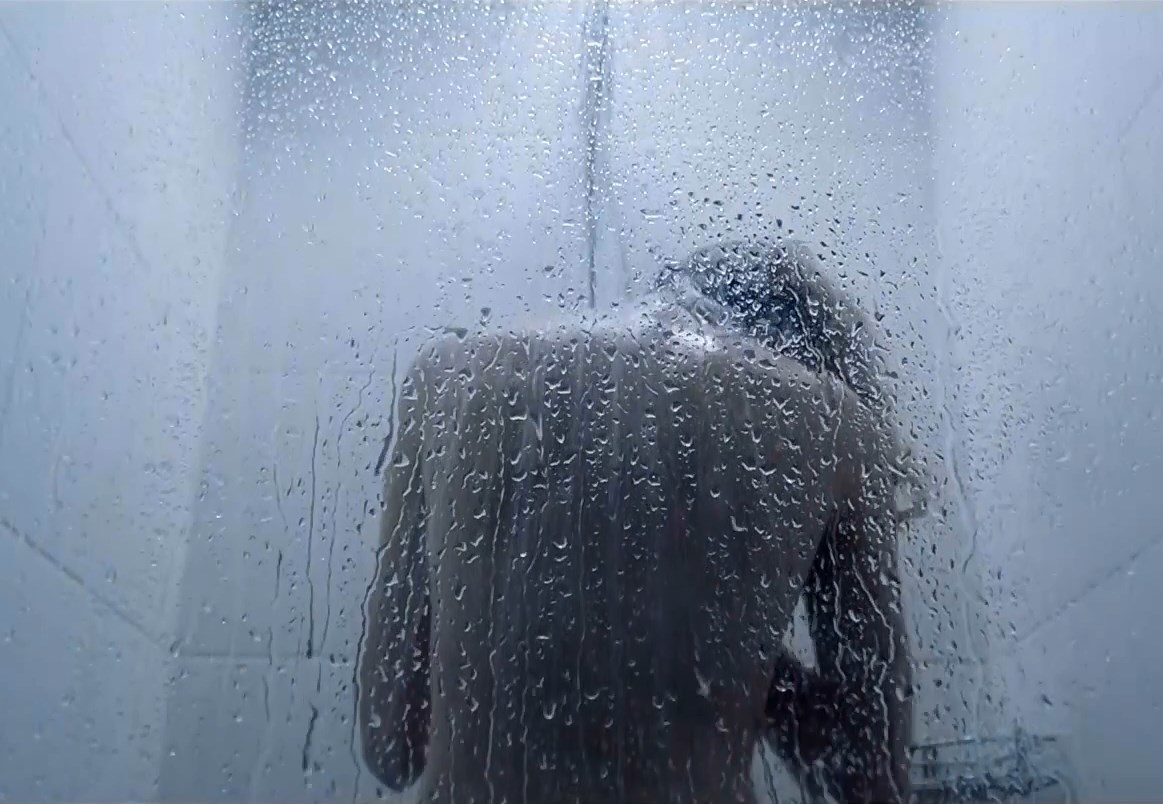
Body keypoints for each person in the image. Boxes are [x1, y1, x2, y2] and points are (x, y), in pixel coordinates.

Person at [359, 240, 914, 804]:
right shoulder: (840, 428)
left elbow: (390, 744)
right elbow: (871, 779)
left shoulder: (447, 379)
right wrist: (738, 654)